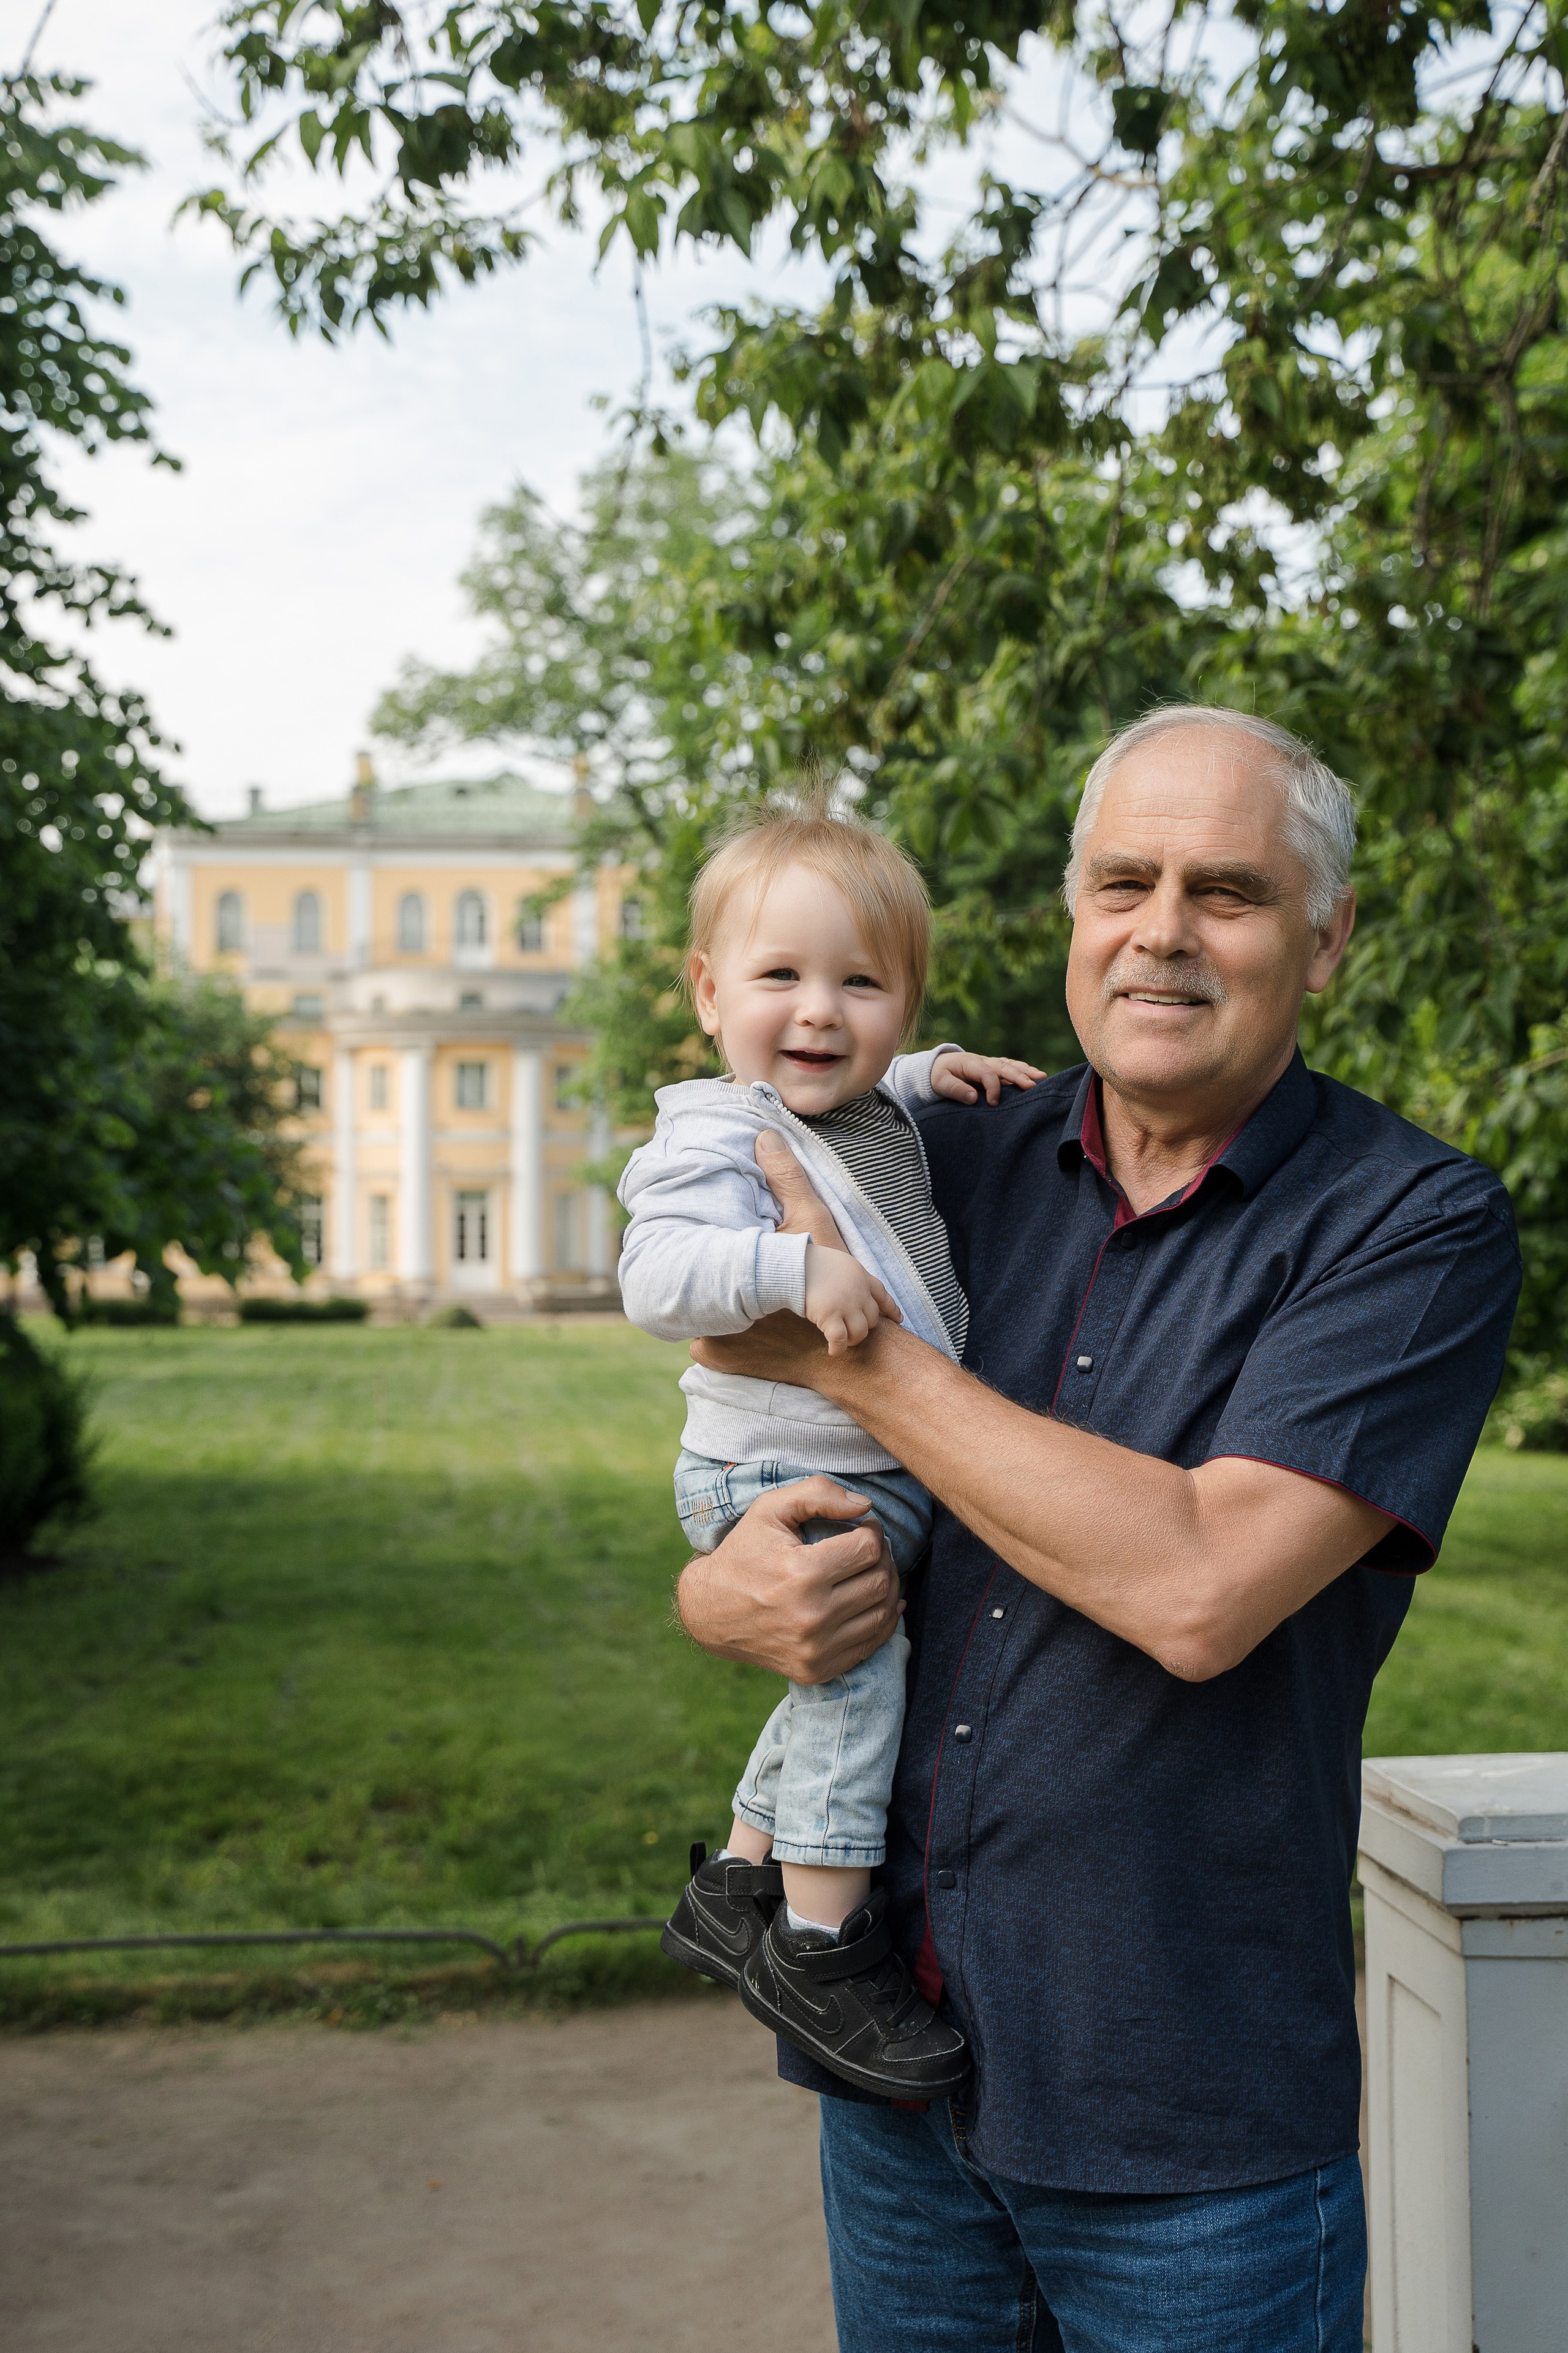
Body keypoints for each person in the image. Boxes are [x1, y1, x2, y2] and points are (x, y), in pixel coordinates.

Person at [675, 708, 1521, 2352]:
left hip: (1191, 2130)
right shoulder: (939, 1154)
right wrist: (726, 1592)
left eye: (1230, 892)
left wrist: (873, 1356)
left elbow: (1203, 1586)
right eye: (1122, 881)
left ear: (1327, 937)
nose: (1163, 931)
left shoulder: (1411, 1224)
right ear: (1073, 911)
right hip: (899, 2080)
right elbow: (742, 1390)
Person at [616, 795, 1044, 2097]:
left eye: (862, 984)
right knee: (854, 1681)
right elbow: (655, 1275)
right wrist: (791, 1266)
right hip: (777, 1465)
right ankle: (818, 1942)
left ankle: (739, 1873)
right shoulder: (708, 1128)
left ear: (902, 1006)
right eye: (779, 977)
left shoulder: (873, 1098)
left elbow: (858, 1106)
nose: (818, 1011)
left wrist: (934, 1071)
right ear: (706, 992)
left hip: (859, 1457)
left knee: (843, 1680)